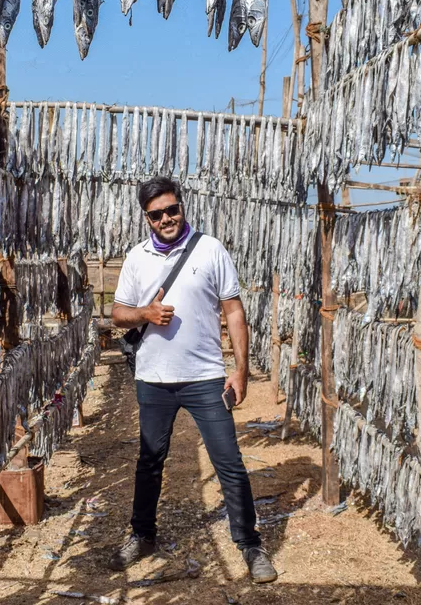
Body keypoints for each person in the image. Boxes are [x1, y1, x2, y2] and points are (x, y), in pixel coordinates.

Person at [108, 177, 278, 584]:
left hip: (205, 378)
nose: (166, 218)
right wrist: (144, 315)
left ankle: (250, 544)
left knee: (229, 464)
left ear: (181, 207)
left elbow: (234, 311)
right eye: (156, 214)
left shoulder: (210, 249)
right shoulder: (137, 258)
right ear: (146, 218)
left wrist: (240, 369)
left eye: (172, 209)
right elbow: (117, 314)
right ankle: (142, 534)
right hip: (153, 379)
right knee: (149, 461)